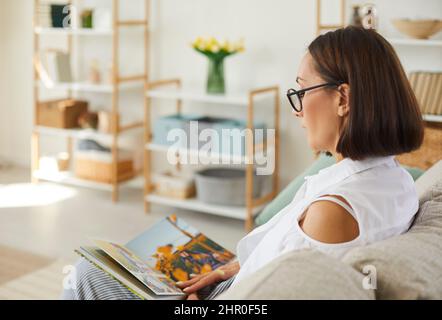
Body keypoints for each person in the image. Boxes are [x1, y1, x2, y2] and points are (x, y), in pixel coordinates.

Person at [62, 26, 423, 300]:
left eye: (301, 91)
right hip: (238, 282)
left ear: (342, 98)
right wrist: (239, 266)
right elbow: (292, 268)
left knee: (87, 272)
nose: (297, 111)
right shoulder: (396, 179)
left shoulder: (335, 212)